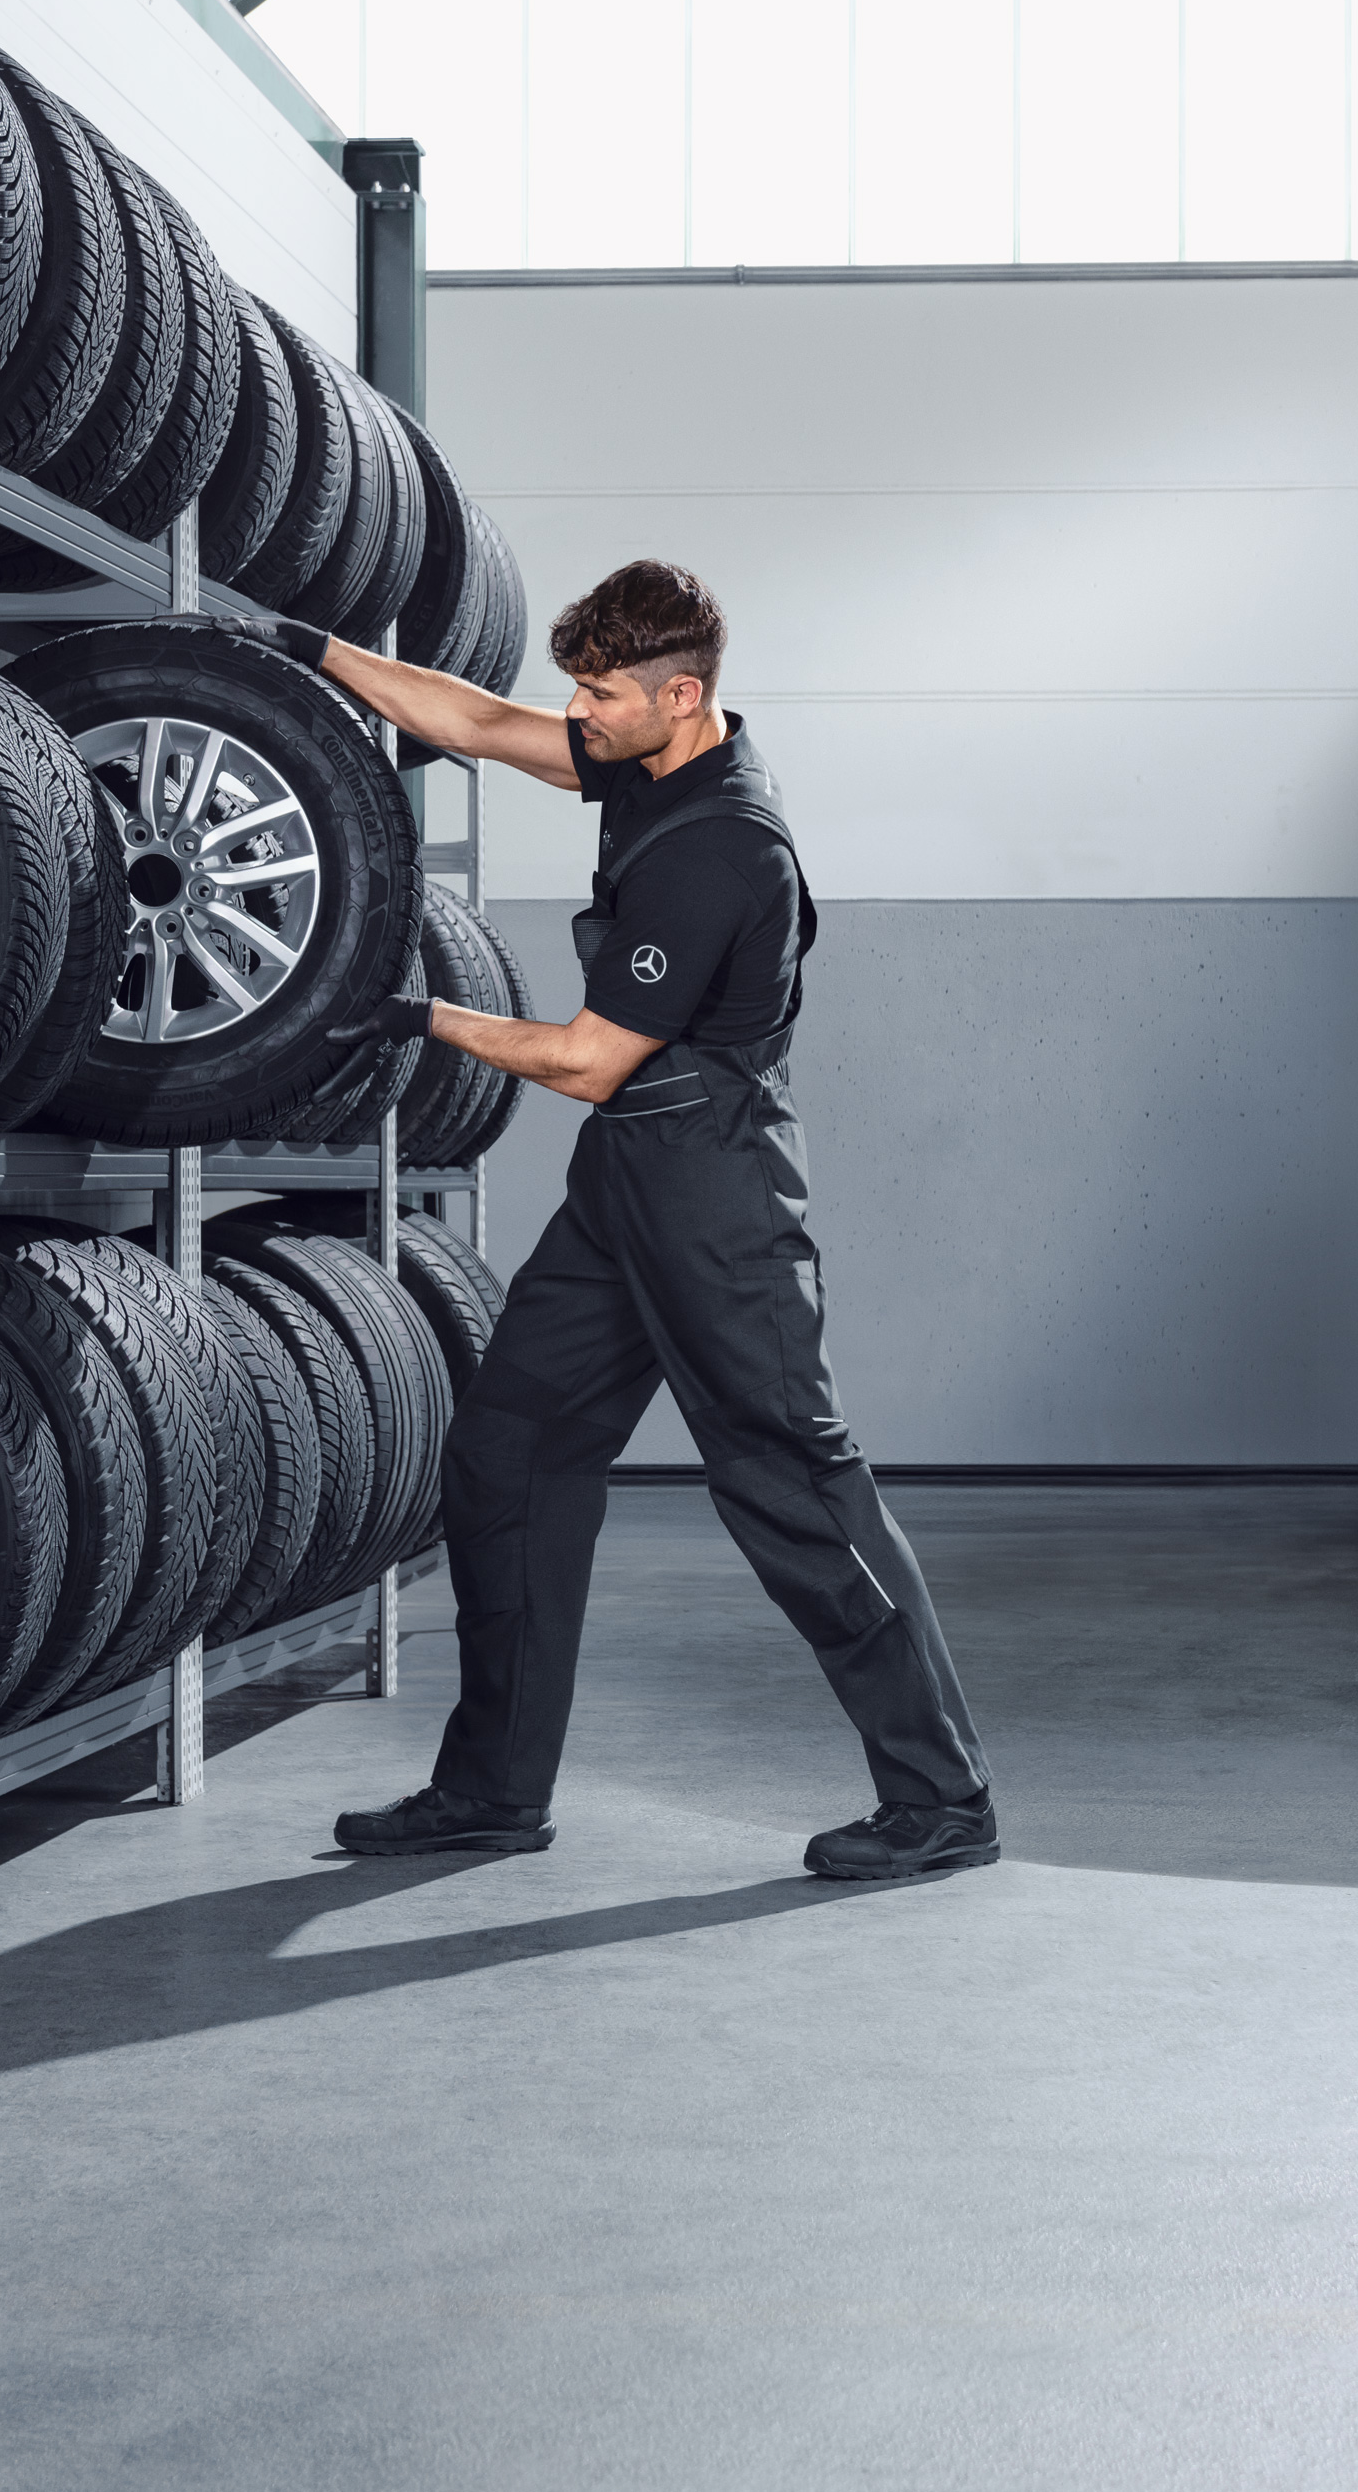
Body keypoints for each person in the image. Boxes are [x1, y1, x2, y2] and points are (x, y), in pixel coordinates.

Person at [225, 563, 996, 1882]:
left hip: (716, 1194)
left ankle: (942, 1801)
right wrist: (310, 647)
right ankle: (492, 1792)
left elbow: (588, 1059)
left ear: (681, 695)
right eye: (577, 687)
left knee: (793, 1491)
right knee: (508, 1458)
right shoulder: (643, 761)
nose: (575, 711)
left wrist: (423, 1016)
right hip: (625, 1184)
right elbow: (471, 723)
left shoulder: (721, 849)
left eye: (600, 692)